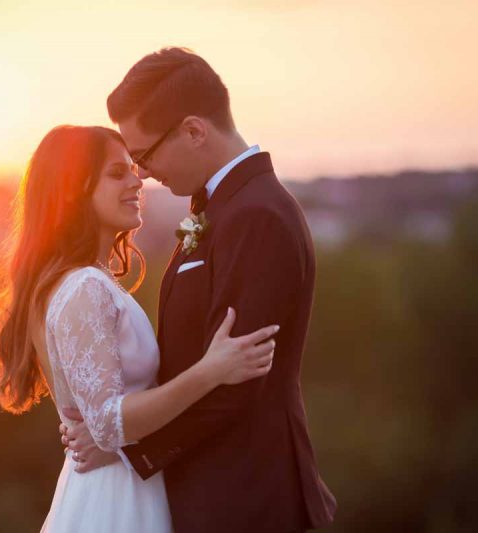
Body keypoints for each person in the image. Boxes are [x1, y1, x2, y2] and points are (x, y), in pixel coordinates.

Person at [61, 48, 337, 532]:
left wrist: (124, 446)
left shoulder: (258, 216)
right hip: (211, 495)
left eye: (144, 155)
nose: (142, 174)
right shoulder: (223, 208)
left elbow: (237, 384)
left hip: (246, 500)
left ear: (193, 130)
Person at [0, 124, 279, 532]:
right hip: (117, 499)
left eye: (133, 170)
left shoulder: (81, 281)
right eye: (117, 173)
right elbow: (105, 423)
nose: (136, 181)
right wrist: (211, 372)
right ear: (72, 190)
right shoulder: (84, 286)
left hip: (123, 480)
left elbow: (99, 418)